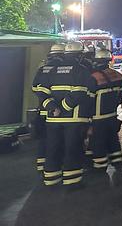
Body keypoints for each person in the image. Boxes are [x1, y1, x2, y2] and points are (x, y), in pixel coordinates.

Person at [39, 41, 94, 189]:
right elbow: (79, 93)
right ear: (80, 56)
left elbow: (41, 92)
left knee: (53, 147)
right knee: (72, 148)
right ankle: (72, 181)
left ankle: (51, 179)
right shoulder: (81, 70)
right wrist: (63, 108)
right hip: (73, 119)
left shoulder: (51, 70)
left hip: (52, 119)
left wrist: (52, 107)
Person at [31, 43, 66, 174]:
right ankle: (57, 165)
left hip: (43, 109)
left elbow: (35, 88)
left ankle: (42, 165)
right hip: (57, 112)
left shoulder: (42, 68)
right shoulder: (61, 69)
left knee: (43, 139)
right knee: (56, 139)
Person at [89, 48, 122, 171]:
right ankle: (117, 161)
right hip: (112, 115)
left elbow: (88, 98)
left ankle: (100, 166)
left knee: (98, 141)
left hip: (97, 117)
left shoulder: (93, 77)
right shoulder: (118, 75)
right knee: (113, 139)